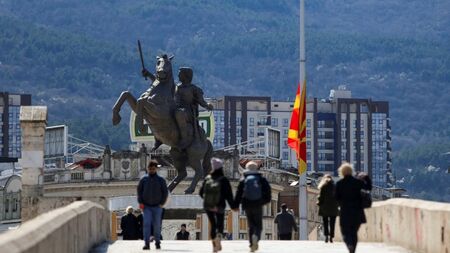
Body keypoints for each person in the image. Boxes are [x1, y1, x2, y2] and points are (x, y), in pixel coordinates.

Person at [199, 158, 236, 253]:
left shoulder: (208, 178)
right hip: (220, 205)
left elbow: (201, 193)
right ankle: (218, 239)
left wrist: (209, 201)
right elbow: (229, 195)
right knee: (220, 224)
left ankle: (214, 244)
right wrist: (233, 206)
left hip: (208, 206)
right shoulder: (224, 180)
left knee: (213, 224)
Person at [234, 161, 271, 252]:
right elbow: (268, 191)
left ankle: (251, 244)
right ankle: (256, 238)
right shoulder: (261, 179)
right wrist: (265, 201)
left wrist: (235, 205)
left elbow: (238, 193)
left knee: (251, 225)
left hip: (247, 204)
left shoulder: (244, 179)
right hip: (258, 204)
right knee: (258, 225)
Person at [335, 163, 372, 253]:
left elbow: (336, 198)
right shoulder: (358, 182)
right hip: (357, 213)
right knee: (354, 233)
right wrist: (366, 177)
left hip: (345, 213)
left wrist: (341, 204)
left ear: (342, 172)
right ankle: (353, 250)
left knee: (345, 232)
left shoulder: (339, 184)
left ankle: (349, 245)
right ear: (351, 171)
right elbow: (369, 188)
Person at [174, 67, 213, 148]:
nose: (178, 76)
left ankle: (185, 138)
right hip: (176, 109)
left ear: (186, 76)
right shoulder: (177, 87)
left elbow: (201, 101)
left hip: (188, 112)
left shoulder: (194, 89)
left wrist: (208, 105)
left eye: (180, 74)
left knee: (179, 113)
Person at [137, 160, 169, 250]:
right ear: (148, 169)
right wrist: (141, 203)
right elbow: (139, 192)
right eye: (150, 169)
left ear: (156, 169)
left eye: (153, 169)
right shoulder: (143, 180)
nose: (151, 170)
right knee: (146, 224)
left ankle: (157, 242)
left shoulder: (161, 180)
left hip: (157, 207)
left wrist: (162, 203)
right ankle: (146, 244)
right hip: (146, 207)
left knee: (157, 225)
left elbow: (165, 192)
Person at [317, 174, 339, 243]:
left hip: (325, 207)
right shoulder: (335, 186)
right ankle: (331, 237)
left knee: (325, 222)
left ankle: (326, 236)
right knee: (333, 223)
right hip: (334, 208)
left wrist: (319, 202)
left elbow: (321, 197)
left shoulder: (323, 186)